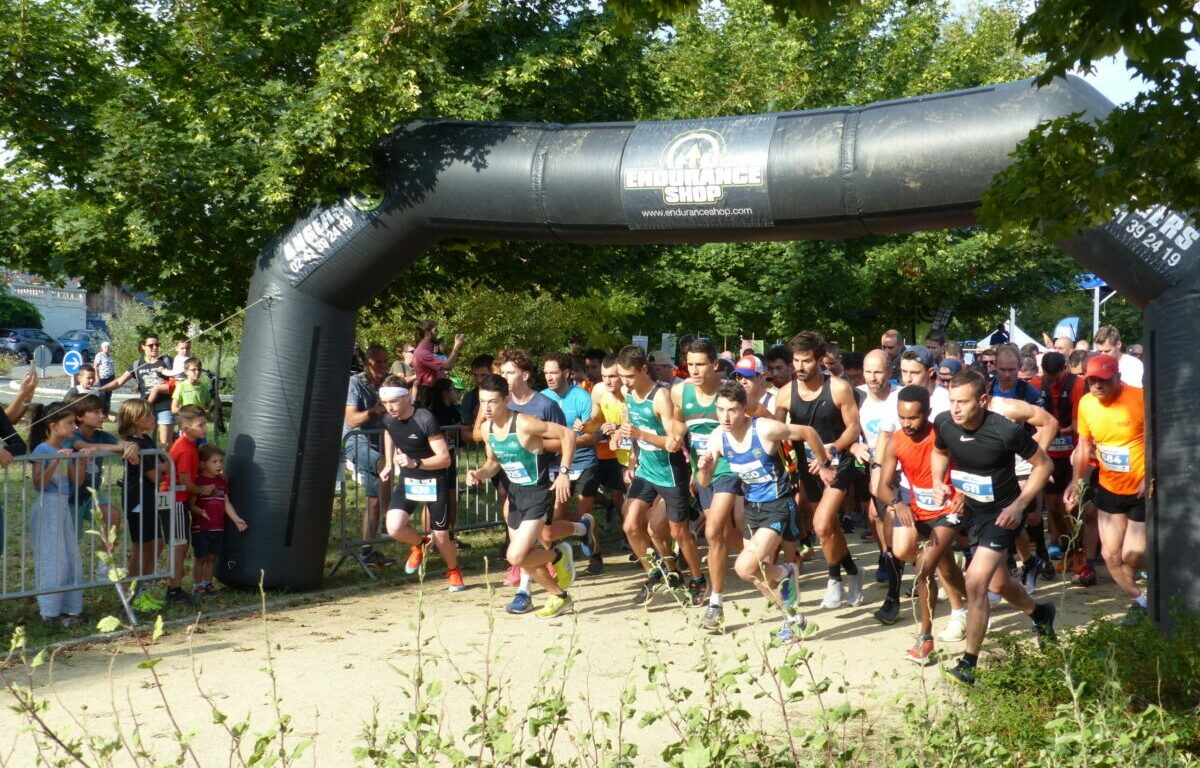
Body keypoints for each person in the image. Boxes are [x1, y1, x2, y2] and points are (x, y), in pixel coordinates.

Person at [932, 370, 1057, 686]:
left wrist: (1019, 505)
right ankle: (1040, 614)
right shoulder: (945, 422)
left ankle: (968, 665)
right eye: (952, 401)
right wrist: (939, 481)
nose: (956, 408)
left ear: (983, 400)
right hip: (972, 510)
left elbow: (1045, 466)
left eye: (963, 402)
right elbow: (939, 451)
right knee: (999, 583)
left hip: (1004, 514)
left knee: (975, 581)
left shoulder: (1005, 430)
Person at [696, 382, 829, 639]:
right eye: (720, 410)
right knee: (759, 577)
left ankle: (787, 571)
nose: (725, 417)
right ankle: (793, 619)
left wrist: (823, 463)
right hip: (752, 509)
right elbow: (704, 483)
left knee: (745, 567)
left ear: (744, 409)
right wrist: (704, 467)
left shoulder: (765, 429)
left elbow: (809, 432)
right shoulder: (717, 437)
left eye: (732, 410)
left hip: (778, 506)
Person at [467, 374, 577, 618]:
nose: (486, 407)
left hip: (538, 493)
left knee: (515, 555)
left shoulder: (525, 423)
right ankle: (560, 597)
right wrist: (479, 473)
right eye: (482, 401)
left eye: (492, 402)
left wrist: (564, 473)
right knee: (525, 559)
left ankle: (558, 555)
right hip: (515, 496)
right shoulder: (486, 429)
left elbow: (568, 435)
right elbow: (493, 463)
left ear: (506, 400)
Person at [872, 386, 968, 662]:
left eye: (913, 418)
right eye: (902, 417)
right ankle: (973, 602)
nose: (906, 423)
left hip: (950, 508)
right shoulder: (896, 441)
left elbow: (969, 463)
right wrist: (897, 504)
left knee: (924, 569)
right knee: (937, 563)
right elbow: (883, 487)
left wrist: (961, 492)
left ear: (927, 413)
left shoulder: (943, 434)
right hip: (919, 511)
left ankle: (925, 640)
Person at [774, 330, 863, 610]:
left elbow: (854, 427)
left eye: (806, 361)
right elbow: (776, 433)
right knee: (830, 529)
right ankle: (853, 571)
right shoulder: (785, 393)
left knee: (821, 525)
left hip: (839, 462)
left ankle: (834, 580)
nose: (799, 367)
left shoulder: (838, 388)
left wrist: (832, 450)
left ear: (820, 360)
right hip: (807, 468)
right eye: (796, 361)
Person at [1063, 353, 1148, 623]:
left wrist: (1152, 474)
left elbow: (1154, 438)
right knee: (1110, 555)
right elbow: (1084, 445)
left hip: (1139, 488)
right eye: (1092, 381)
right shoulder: (1087, 403)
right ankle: (1141, 602)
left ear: (1117, 378)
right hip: (1108, 487)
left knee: (1132, 553)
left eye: (1103, 380)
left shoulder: (1139, 398)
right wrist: (1076, 481)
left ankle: (1152, 590)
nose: (1097, 386)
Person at [616, 344, 699, 606]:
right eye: (621, 376)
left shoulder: (660, 396)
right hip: (647, 470)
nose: (625, 382)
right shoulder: (627, 394)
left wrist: (640, 435)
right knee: (631, 525)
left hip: (671, 472)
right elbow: (632, 426)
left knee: (677, 532)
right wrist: (625, 439)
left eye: (629, 376)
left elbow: (671, 442)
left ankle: (697, 579)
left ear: (643, 370)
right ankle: (658, 573)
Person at [377, 377, 465, 592]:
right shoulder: (389, 418)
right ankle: (421, 544)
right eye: (386, 403)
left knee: (442, 535)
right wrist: (389, 462)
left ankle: (453, 571)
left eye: (395, 401)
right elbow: (389, 433)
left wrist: (415, 462)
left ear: (407, 397)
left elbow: (445, 459)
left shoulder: (425, 418)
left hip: (434, 480)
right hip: (408, 480)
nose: (390, 407)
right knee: (394, 527)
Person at [672, 338, 737, 615]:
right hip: (704, 472)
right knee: (725, 536)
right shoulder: (680, 393)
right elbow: (676, 420)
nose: (695, 371)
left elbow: (761, 415)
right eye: (690, 365)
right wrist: (675, 434)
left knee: (711, 533)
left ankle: (716, 601)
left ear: (715, 365)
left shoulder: (728, 394)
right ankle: (767, 554)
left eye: (700, 365)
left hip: (731, 469)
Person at [542, 352, 602, 575]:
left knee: (585, 506)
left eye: (554, 372)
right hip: (556, 466)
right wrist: (560, 446)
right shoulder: (542, 398)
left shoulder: (582, 397)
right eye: (546, 372)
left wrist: (564, 443)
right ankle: (556, 560)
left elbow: (592, 436)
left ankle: (596, 556)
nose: (549, 377)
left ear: (566, 373)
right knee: (557, 513)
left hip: (584, 461)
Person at [28, 402, 87, 628]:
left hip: (63, 505)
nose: (74, 426)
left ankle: (68, 607)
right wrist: (56, 461)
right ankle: (50, 611)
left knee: (70, 556)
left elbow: (76, 482)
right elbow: (39, 483)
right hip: (47, 506)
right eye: (69, 423)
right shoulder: (42, 450)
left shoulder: (67, 449)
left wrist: (80, 461)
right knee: (52, 557)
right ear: (54, 426)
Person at [343, 343, 394, 568]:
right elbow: (351, 420)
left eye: (385, 361)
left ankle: (367, 552)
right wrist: (375, 410)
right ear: (367, 362)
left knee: (372, 500)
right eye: (378, 362)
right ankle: (387, 521)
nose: (383, 367)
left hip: (380, 442)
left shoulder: (388, 383)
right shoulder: (355, 384)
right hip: (356, 442)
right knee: (386, 465)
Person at [118, 398, 167, 612]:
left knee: (156, 544)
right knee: (141, 546)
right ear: (137, 420)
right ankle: (133, 594)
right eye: (150, 415)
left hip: (149, 498)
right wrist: (167, 463)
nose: (154, 418)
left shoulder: (147, 439)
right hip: (137, 499)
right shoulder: (134, 444)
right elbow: (154, 475)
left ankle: (144, 589)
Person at [162, 405, 213, 605]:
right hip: (175, 499)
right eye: (200, 425)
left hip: (178, 499)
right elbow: (185, 482)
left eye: (204, 424)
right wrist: (202, 491)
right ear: (185, 426)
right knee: (179, 545)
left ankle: (174, 587)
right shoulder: (184, 448)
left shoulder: (190, 445)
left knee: (181, 545)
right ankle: (173, 589)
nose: (205, 428)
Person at [189, 444, 248, 597]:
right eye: (214, 462)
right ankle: (197, 585)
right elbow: (191, 504)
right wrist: (200, 512)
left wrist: (236, 519)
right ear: (203, 464)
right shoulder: (198, 482)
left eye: (221, 461)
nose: (219, 465)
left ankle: (208, 584)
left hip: (218, 527)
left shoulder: (222, 482)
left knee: (211, 558)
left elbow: (226, 503)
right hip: (201, 528)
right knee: (200, 558)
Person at [100, 334, 175, 446]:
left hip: (165, 405)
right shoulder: (137, 364)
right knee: (143, 440)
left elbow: (179, 378)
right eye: (151, 345)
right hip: (145, 407)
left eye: (157, 345)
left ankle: (166, 463)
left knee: (166, 443)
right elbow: (119, 382)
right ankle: (148, 462)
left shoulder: (167, 361)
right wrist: (101, 388)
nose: (155, 347)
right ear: (143, 346)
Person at [413, 320, 465, 401]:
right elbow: (448, 366)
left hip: (433, 392)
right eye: (435, 330)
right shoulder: (422, 353)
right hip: (429, 395)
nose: (438, 333)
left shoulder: (427, 351)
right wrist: (456, 346)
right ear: (427, 334)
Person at [94, 340, 116, 417]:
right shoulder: (99, 355)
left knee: (108, 396)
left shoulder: (110, 356)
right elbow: (95, 366)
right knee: (102, 395)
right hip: (102, 378)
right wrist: (97, 377)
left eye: (108, 347)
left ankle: (107, 412)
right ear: (102, 348)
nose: (107, 348)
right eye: (105, 347)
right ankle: (102, 412)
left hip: (110, 378)